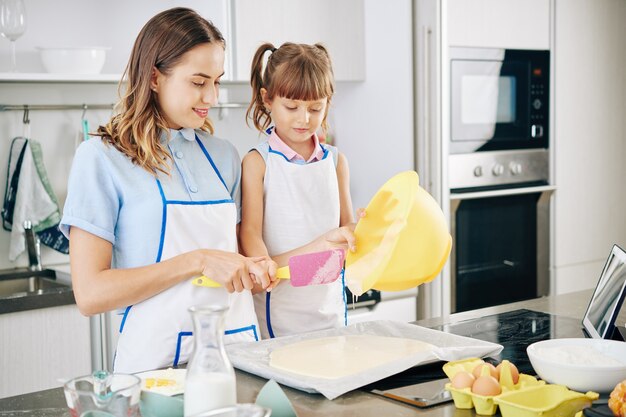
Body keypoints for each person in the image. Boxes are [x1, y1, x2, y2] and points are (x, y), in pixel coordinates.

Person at [60, 7, 272, 374]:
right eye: (198, 82)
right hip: (152, 374)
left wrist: (257, 269)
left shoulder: (224, 156)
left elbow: (235, 266)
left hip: (236, 361)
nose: (212, 98)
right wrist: (198, 260)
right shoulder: (101, 159)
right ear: (155, 77)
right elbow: (90, 294)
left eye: (217, 82)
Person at [240, 42, 357, 339]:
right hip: (278, 313)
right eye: (291, 107)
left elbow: (347, 228)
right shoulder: (257, 163)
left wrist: (364, 228)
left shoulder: (336, 161)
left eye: (315, 108)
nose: (304, 119)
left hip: (328, 309)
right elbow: (250, 233)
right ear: (267, 99)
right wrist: (262, 267)